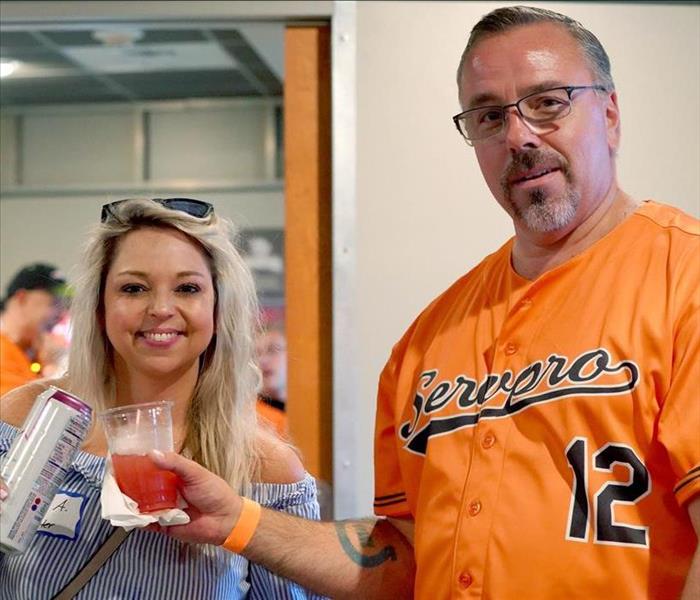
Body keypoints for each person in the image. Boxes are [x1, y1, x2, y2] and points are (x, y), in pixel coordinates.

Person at [13, 7, 698, 599]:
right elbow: (398, 556)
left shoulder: (683, 276)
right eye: (490, 115)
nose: (519, 135)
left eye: (549, 102)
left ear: (608, 113)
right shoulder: (433, 338)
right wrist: (237, 522)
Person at [0, 198, 324, 599]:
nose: (160, 309)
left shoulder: (266, 469)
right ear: (100, 306)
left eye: (187, 288)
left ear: (219, 307)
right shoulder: (28, 417)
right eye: (134, 288)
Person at [0, 263, 67, 396]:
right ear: (22, 298)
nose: (61, 314)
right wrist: (53, 371)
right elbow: (19, 410)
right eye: (54, 303)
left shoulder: (33, 350)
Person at [255, 321, 288, 438]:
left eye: (273, 350)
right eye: (256, 354)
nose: (262, 360)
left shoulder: (312, 413)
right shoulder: (250, 417)